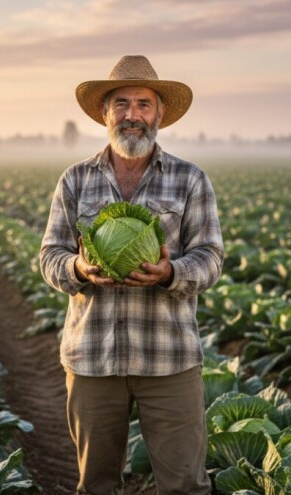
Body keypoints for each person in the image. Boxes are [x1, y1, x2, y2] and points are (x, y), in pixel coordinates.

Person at [39, 55, 224, 495]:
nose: (132, 115)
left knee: (184, 484)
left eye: (143, 104)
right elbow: (49, 256)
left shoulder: (190, 180)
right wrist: (79, 268)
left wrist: (170, 273)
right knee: (97, 484)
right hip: (92, 359)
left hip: (169, 358)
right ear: (104, 113)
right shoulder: (75, 180)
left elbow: (211, 257)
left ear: (159, 113)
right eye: (121, 104)